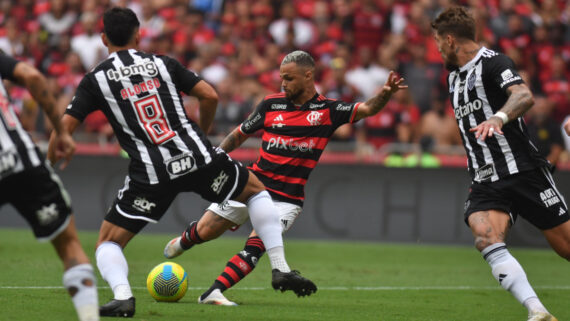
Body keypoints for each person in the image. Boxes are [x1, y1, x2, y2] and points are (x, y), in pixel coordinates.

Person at [48, 7, 316, 318]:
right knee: (256, 191)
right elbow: (210, 96)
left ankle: (122, 298)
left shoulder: (95, 80)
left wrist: (51, 161)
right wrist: (200, 135)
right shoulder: (162, 63)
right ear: (138, 34)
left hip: (151, 173)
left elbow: (62, 130)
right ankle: (280, 267)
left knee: (108, 242)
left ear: (103, 37)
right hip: (198, 156)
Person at [164, 50, 407, 305]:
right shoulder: (271, 104)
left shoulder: (328, 110)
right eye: (282, 78)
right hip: (250, 185)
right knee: (205, 231)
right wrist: (213, 156)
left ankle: (214, 292)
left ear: (308, 75)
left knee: (255, 245)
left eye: (289, 78)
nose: (283, 83)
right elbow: (240, 133)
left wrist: (386, 93)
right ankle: (183, 241)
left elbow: (367, 108)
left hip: (286, 198)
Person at [432, 7, 569, 321]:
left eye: (439, 41)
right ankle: (538, 311)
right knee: (486, 238)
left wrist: (498, 117)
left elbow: (523, 95)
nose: (438, 48)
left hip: (523, 170)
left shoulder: (495, 62)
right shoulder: (453, 76)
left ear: (450, 40)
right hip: (485, 178)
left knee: (566, 248)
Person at [0, 53, 99, 321]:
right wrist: (61, 131)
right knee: (68, 244)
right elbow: (32, 76)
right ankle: (89, 317)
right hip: (21, 160)